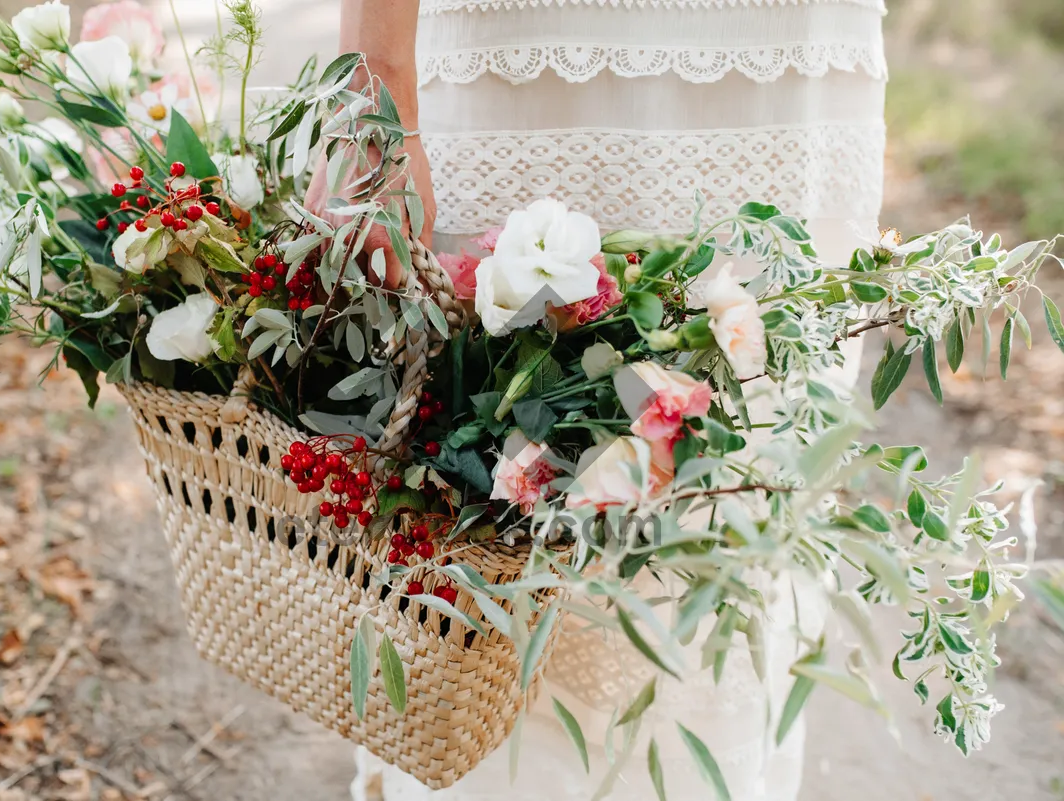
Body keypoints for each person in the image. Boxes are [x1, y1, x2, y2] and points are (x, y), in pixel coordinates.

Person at [312, 1, 888, 798]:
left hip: (781, 68)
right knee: (485, 558)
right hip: (538, 53)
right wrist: (372, 98)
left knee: (725, 528)